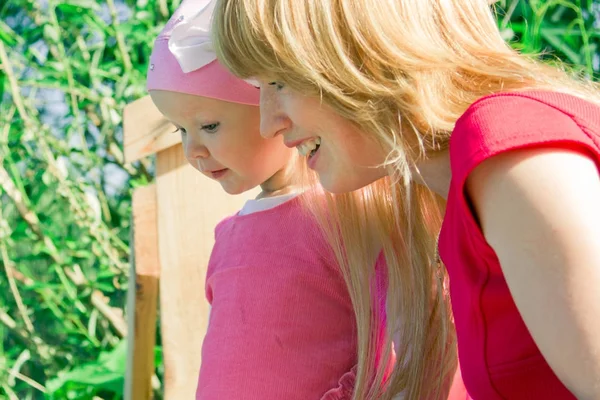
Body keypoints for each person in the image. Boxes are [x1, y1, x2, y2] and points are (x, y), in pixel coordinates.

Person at [209, 0, 600, 399]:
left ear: (360, 52)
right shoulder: (467, 190)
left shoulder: (511, 152)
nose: (268, 122)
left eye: (280, 82)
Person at [146, 1, 396, 398]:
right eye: (180, 130)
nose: (193, 149)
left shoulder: (345, 213)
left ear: (271, 105)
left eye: (208, 125)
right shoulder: (227, 235)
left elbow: (392, 342)